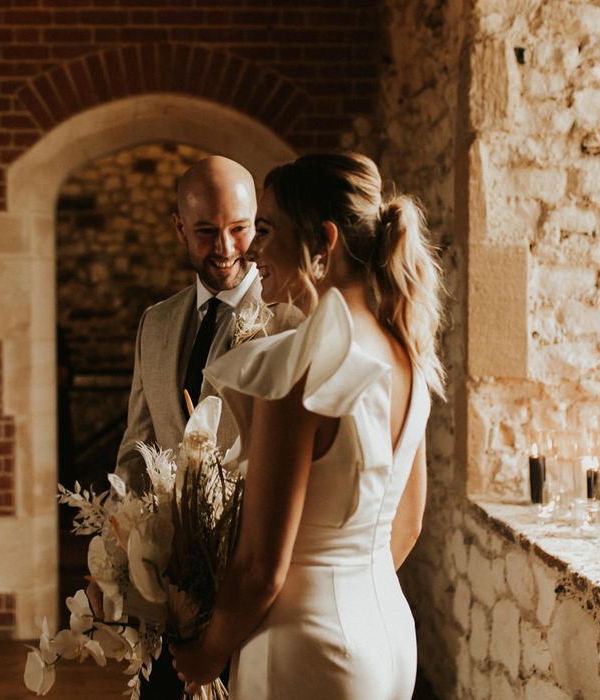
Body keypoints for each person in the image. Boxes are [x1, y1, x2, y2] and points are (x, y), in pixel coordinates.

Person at [171, 152, 445, 699]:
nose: (251, 250)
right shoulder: (406, 352)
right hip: (387, 635)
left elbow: (259, 567)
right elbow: (408, 522)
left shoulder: (298, 365)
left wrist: (206, 654)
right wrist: (347, 594)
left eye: (266, 229)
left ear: (322, 242)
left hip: (305, 648)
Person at [104, 155, 300, 699]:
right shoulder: (156, 322)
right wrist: (112, 562)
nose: (226, 249)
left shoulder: (291, 322)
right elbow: (134, 453)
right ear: (178, 228)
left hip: (256, 598)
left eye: (240, 230)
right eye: (207, 232)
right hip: (166, 598)